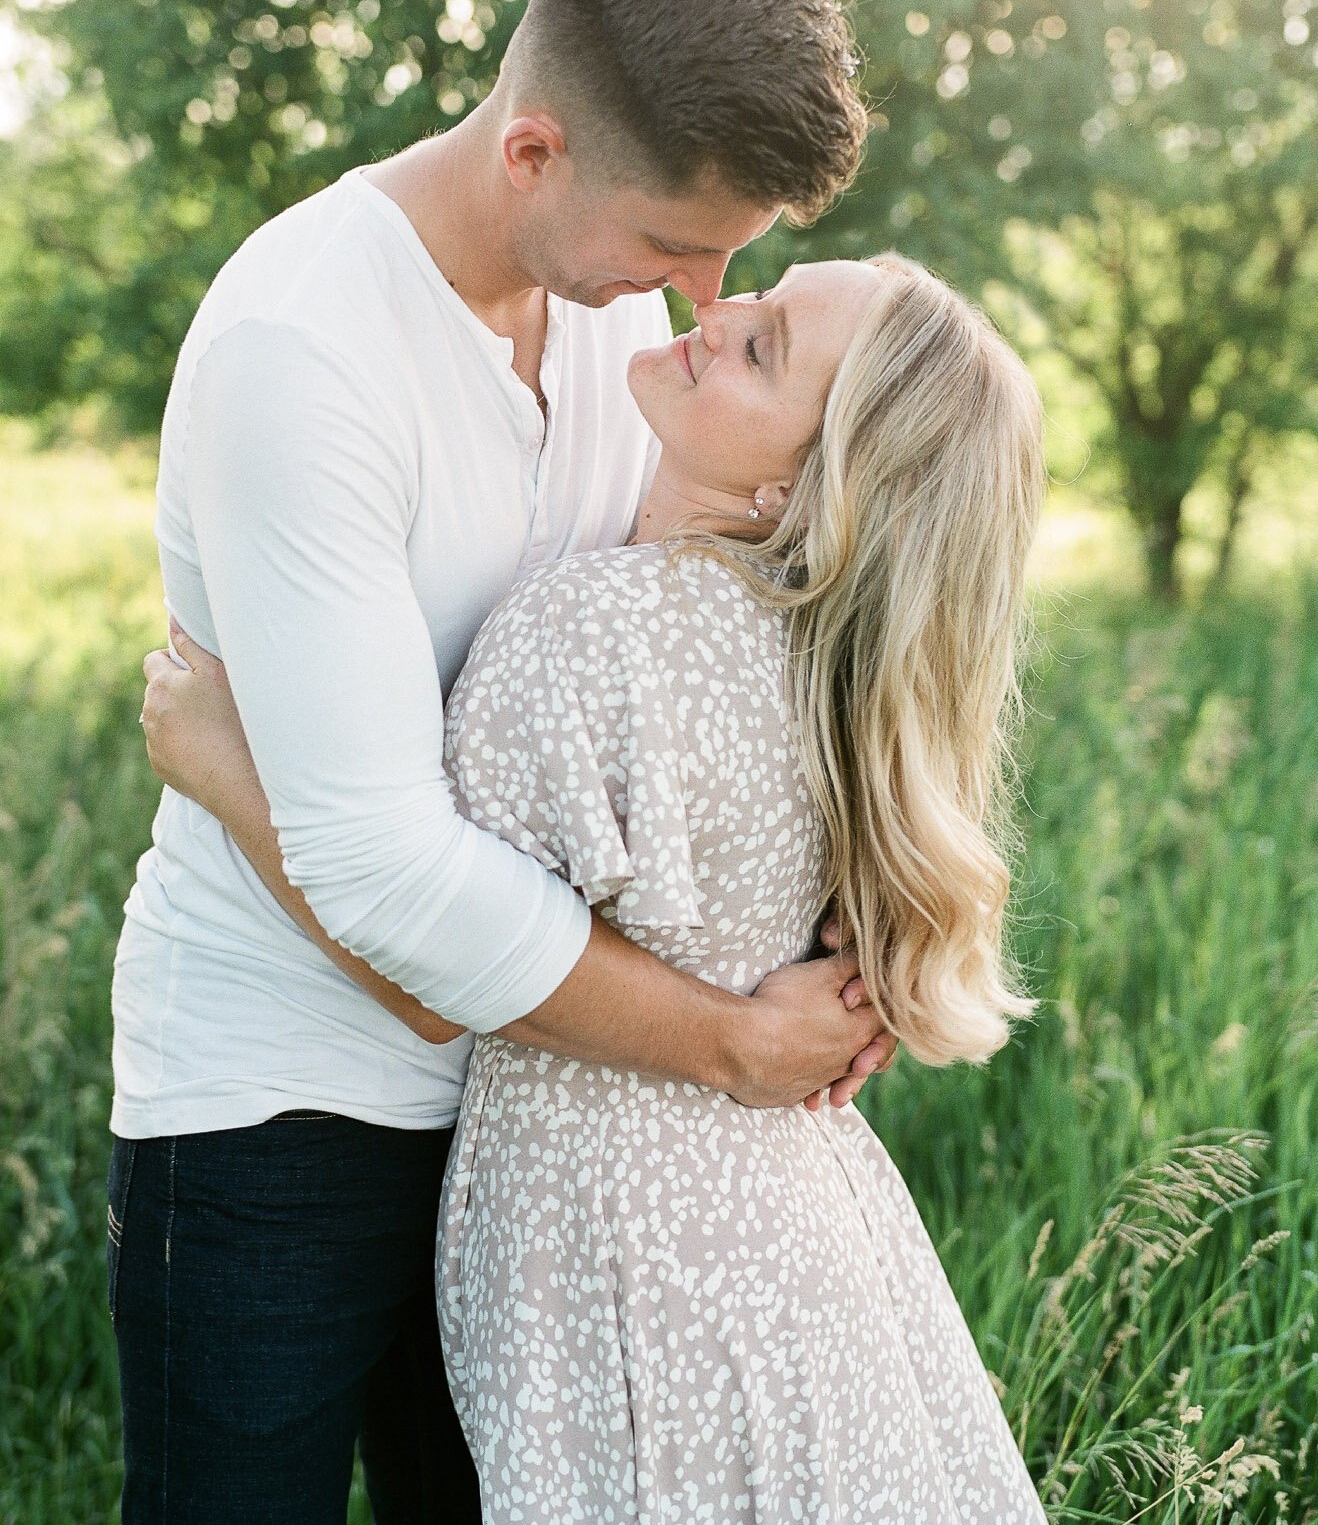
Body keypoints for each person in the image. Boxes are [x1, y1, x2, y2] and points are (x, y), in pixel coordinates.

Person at [112, 0, 893, 1524]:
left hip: (539, 1120)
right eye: (675, 245)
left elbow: (656, 713)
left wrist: (843, 939)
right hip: (279, 1112)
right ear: (534, 147)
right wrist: (732, 1042)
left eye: (730, 263)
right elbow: (396, 902)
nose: (700, 303)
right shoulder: (307, 351)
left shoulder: (617, 345)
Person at [143, 252, 1048, 1521]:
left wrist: (223, 767)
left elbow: (429, 972)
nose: (715, 311)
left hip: (621, 1257)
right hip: (799, 1247)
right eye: (756, 294)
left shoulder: (586, 634)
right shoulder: (839, 673)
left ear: (795, 483)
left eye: (764, 347)